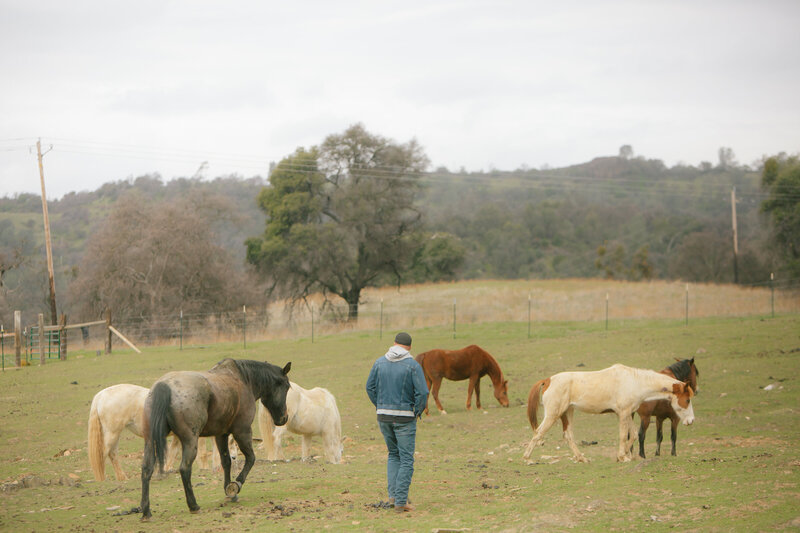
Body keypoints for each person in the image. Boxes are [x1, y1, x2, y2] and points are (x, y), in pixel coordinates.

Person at [366, 331, 429, 513]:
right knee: (407, 459)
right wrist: (416, 411)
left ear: (394, 343)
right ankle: (401, 501)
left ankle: (393, 497)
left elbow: (369, 387)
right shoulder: (413, 365)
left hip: (383, 417)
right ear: (409, 347)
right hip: (404, 418)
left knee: (393, 455)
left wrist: (379, 405)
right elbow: (423, 393)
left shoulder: (379, 362)